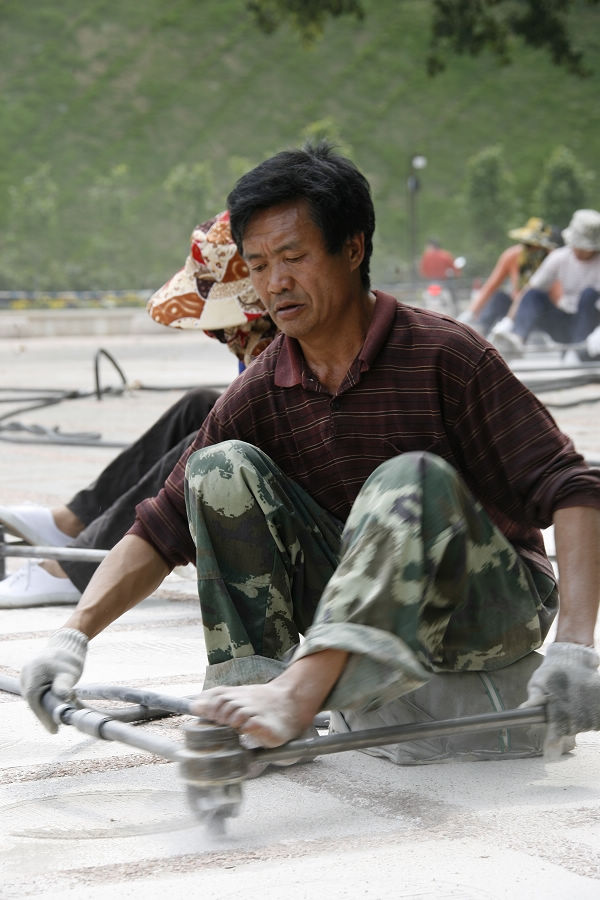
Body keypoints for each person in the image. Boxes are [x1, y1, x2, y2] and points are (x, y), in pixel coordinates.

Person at [20, 142, 600, 764]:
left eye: (293, 257)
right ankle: (256, 692)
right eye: (259, 265)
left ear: (352, 249)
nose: (276, 283)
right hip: (363, 602)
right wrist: (71, 636)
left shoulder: (446, 356)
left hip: (486, 609)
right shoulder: (262, 389)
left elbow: (573, 487)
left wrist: (574, 645)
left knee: (410, 478)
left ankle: (299, 691)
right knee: (217, 469)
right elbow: (160, 528)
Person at [0, 212, 276, 608]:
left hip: (290, 495)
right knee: (199, 405)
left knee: (212, 438)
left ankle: (82, 569)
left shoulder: (287, 340)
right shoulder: (261, 337)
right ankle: (75, 522)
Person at [490, 209, 600, 358]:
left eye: (583, 247)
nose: (578, 250)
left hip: (592, 327)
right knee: (534, 294)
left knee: (589, 294)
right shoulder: (560, 257)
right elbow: (529, 290)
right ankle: (518, 338)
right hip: (565, 322)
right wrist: (509, 320)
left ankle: (578, 353)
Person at [458, 218, 559, 336]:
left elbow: (538, 292)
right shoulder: (512, 256)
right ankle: (477, 335)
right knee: (498, 297)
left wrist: (509, 319)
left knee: (532, 296)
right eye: (527, 244)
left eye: (535, 245)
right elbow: (491, 286)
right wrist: (471, 312)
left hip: (542, 310)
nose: (530, 249)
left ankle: (517, 337)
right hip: (514, 307)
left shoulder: (553, 259)